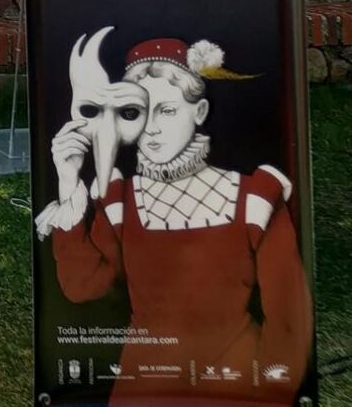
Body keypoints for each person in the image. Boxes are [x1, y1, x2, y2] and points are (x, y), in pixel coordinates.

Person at [38, 34, 313, 404]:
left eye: (167, 110)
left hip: (235, 386)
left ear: (198, 112)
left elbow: (288, 316)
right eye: (139, 112)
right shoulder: (121, 200)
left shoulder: (254, 199)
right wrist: (68, 184)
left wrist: (271, 390)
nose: (151, 128)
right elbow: (82, 286)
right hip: (145, 385)